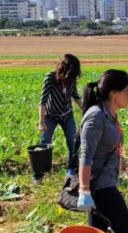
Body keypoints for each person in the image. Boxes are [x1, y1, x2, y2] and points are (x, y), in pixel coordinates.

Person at [76, 70, 128, 233]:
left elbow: (111, 149)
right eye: (127, 90)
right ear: (113, 93)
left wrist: (126, 169)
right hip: (100, 188)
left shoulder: (110, 114)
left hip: (106, 182)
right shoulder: (96, 117)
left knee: (98, 231)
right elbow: (86, 155)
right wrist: (84, 189)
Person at [37, 54, 83, 182]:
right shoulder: (50, 78)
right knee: (45, 142)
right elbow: (43, 101)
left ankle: (72, 170)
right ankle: (38, 175)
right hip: (50, 116)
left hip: (67, 115)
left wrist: (86, 110)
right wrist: (41, 122)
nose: (72, 77)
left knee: (73, 142)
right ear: (63, 69)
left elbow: (75, 95)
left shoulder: (71, 79)